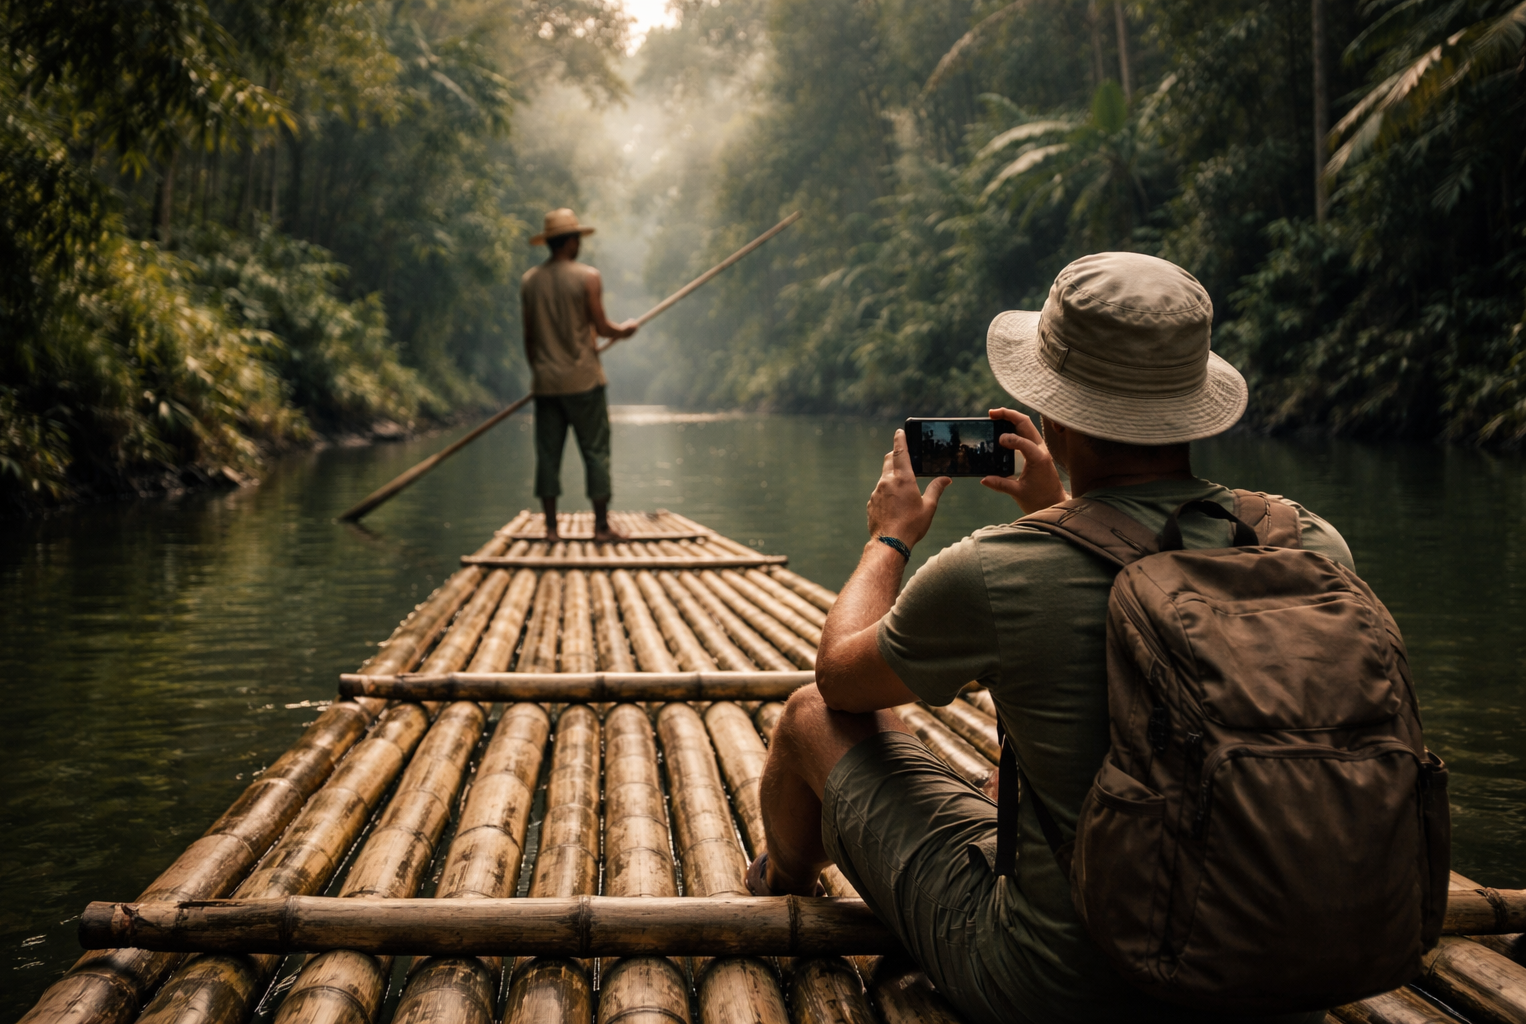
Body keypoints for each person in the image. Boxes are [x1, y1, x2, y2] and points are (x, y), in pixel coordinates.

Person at [750, 252, 1348, 1024]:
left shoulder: (1002, 570)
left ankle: (776, 886)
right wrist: (1060, 510)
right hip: (1275, 967)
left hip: (1062, 987)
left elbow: (840, 677)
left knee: (808, 718)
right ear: (1193, 403)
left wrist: (888, 540)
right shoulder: (1308, 543)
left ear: (1054, 415)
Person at [521, 208, 637, 542]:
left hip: (546, 385)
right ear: (570, 241)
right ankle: (601, 528)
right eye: (576, 239)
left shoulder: (529, 282)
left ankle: (551, 530)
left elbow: (529, 339)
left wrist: (541, 371)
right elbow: (602, 328)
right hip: (585, 382)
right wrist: (625, 331)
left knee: (547, 455)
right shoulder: (588, 277)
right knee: (596, 452)